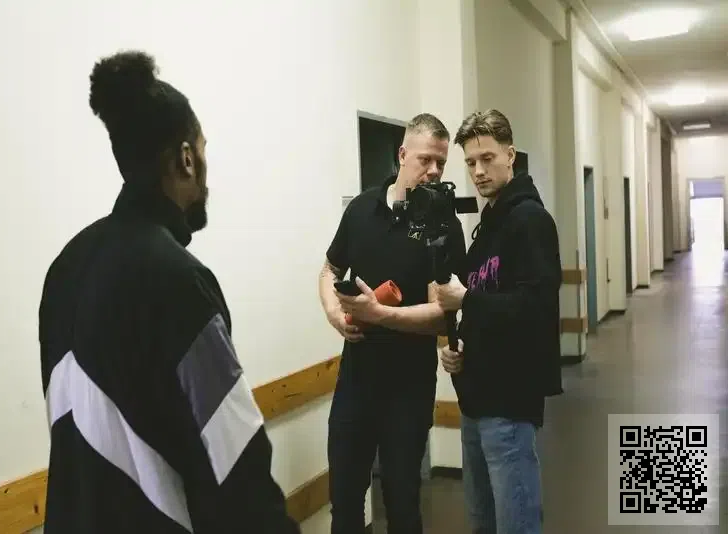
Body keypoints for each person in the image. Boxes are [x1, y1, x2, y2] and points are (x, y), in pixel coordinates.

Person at [38, 51, 300, 534]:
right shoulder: (179, 281)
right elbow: (236, 464)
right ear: (186, 159)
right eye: (202, 149)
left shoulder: (65, 268)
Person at [318, 113, 467, 534]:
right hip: (356, 383)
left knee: (403, 506)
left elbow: (440, 314)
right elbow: (329, 270)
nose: (434, 170)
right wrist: (335, 315)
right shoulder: (362, 209)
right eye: (425, 159)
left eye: (441, 162)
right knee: (345, 503)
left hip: (408, 389)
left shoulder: (445, 226)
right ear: (402, 155)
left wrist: (379, 314)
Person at [435, 109, 563, 534]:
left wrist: (466, 299)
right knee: (483, 521)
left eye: (487, 158)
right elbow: (487, 300)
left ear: (510, 155)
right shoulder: (488, 225)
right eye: (470, 162)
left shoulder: (530, 221)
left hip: (509, 400)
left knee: (515, 522)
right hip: (476, 396)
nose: (478, 171)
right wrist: (461, 347)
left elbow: (536, 308)